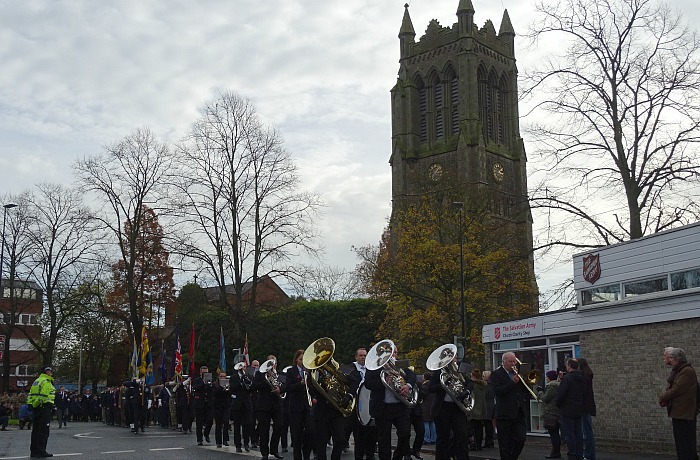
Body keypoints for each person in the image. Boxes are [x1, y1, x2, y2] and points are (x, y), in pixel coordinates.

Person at [364, 342, 415, 460]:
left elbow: (412, 375)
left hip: (399, 406)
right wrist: (384, 382)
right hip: (382, 408)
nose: (393, 355)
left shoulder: (399, 365)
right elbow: (368, 383)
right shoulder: (373, 366)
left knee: (405, 433)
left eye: (394, 353)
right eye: (391, 353)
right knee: (384, 439)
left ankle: (397, 456)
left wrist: (407, 385)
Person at [658, 346, 699, 460]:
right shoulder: (680, 370)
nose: (669, 360)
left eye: (671, 357)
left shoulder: (686, 371)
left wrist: (662, 397)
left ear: (678, 358)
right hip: (680, 412)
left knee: (686, 443)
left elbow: (677, 389)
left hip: (685, 413)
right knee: (682, 443)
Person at [428, 353, 470, 460]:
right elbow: (431, 388)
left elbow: (470, 383)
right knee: (443, 438)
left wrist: (466, 391)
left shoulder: (461, 367)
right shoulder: (439, 371)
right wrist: (444, 385)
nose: (454, 359)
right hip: (443, 408)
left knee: (462, 436)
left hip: (458, 407)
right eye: (452, 358)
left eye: (455, 357)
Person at [489, 352, 527, 460]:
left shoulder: (517, 374)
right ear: (504, 362)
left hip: (519, 412)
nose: (513, 364)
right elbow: (498, 391)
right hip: (504, 413)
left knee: (521, 438)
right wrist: (512, 382)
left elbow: (523, 391)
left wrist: (525, 381)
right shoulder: (496, 374)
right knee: (505, 443)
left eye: (514, 361)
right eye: (510, 361)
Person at [252, 355, 285, 460]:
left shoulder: (281, 374)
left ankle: (274, 449)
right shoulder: (260, 374)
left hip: (277, 404)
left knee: (279, 426)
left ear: (276, 363)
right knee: (263, 430)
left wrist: (279, 387)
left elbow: (284, 385)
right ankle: (264, 453)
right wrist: (267, 382)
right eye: (269, 363)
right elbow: (254, 386)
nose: (272, 365)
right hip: (263, 405)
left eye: (273, 362)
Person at [555, 359, 585, 460]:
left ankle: (572, 454)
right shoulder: (582, 378)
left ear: (569, 366)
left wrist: (558, 404)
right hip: (579, 408)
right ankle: (579, 454)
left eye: (567, 365)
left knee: (570, 433)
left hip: (567, 409)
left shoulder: (567, 379)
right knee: (578, 433)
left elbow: (561, 394)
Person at [286, 350, 314, 460]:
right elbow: (288, 387)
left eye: (304, 359)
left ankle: (306, 454)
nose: (303, 361)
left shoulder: (309, 371)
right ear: (296, 360)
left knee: (310, 431)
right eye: (301, 359)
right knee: (296, 434)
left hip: (307, 407)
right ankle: (297, 457)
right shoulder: (291, 371)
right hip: (295, 407)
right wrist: (300, 384)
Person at [28, 365, 56, 458]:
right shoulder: (47, 382)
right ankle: (41, 451)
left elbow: (30, 394)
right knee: (43, 431)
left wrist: (31, 404)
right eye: (49, 371)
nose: (51, 372)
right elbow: (43, 396)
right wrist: (36, 404)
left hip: (37, 409)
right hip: (44, 408)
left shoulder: (36, 381)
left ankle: (34, 451)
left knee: (35, 430)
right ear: (46, 372)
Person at [232, 361, 255, 452]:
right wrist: (240, 382)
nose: (243, 369)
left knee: (247, 424)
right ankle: (238, 444)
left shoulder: (249, 376)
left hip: (247, 404)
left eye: (244, 367)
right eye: (241, 367)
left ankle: (246, 443)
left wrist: (247, 381)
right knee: (237, 426)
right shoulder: (234, 377)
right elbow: (232, 389)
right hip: (237, 404)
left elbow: (251, 388)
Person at [537, 370, 561, 459]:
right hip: (556, 412)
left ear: (550, 377)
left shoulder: (552, 386)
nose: (546, 378)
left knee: (553, 434)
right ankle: (555, 452)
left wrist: (540, 392)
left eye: (547, 376)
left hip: (551, 412)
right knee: (555, 433)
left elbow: (546, 398)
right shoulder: (558, 385)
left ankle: (555, 453)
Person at [577, 358, 596, 460]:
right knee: (587, 431)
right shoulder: (587, 376)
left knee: (586, 432)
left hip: (583, 407)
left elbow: (581, 392)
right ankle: (588, 454)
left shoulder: (583, 378)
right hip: (587, 406)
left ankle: (589, 455)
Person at [192, 365, 213, 445]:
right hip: (199, 403)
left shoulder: (210, 381)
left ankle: (206, 433)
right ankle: (199, 439)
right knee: (199, 422)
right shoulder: (197, 380)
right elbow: (195, 388)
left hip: (208, 403)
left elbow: (212, 390)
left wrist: (209, 384)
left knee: (210, 420)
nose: (205, 374)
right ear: (201, 372)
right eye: (204, 373)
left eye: (207, 373)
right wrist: (203, 383)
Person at [212, 370, 232, 448]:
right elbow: (215, 394)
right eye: (221, 376)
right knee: (218, 424)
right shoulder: (215, 385)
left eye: (224, 376)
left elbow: (230, 394)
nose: (223, 378)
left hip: (226, 406)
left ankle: (225, 440)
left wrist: (227, 388)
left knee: (226, 422)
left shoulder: (228, 384)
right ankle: (218, 441)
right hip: (217, 406)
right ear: (218, 377)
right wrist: (221, 387)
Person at [420, 373, 436, 446]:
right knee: (432, 422)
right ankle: (434, 438)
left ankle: (427, 439)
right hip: (432, 405)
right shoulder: (433, 385)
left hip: (425, 405)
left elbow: (422, 395)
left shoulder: (424, 386)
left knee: (425, 422)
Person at [480, 370, 495, 449]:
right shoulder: (491, 384)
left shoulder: (487, 386)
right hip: (490, 404)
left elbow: (485, 394)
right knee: (488, 424)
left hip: (487, 405)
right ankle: (489, 440)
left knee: (488, 424)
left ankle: (488, 440)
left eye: (483, 376)